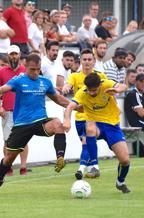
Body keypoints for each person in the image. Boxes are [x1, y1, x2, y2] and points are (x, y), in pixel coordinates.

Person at [0, 54, 71, 194]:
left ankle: (60, 158)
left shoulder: (45, 82)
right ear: (26, 67)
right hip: (22, 124)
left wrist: (74, 105)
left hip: (40, 121)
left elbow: (58, 99)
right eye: (32, 69)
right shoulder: (19, 80)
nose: (35, 72)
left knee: (57, 123)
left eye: (38, 69)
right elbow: (5, 87)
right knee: (9, 158)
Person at [64, 73, 131, 193]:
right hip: (96, 124)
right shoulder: (83, 93)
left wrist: (116, 90)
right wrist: (67, 121)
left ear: (100, 85)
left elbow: (124, 86)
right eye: (89, 90)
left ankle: (120, 182)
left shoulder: (106, 84)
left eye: (94, 90)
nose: (91, 93)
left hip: (112, 126)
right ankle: (94, 166)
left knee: (125, 160)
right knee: (89, 128)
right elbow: (69, 107)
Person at [62, 49, 107, 180]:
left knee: (86, 142)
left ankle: (81, 169)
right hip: (80, 117)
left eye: (89, 59)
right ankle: (90, 168)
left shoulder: (100, 76)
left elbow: (107, 91)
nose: (87, 62)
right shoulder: (75, 76)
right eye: (84, 60)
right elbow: (68, 84)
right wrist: (66, 88)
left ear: (93, 61)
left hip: (95, 117)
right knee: (87, 143)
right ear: (80, 61)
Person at [0, 45, 28, 176]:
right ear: (8, 56)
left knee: (24, 140)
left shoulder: (26, 71)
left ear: (19, 55)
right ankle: (8, 166)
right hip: (7, 110)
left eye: (15, 54)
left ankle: (23, 166)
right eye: (11, 54)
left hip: (23, 111)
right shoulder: (1, 72)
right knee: (7, 140)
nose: (13, 56)